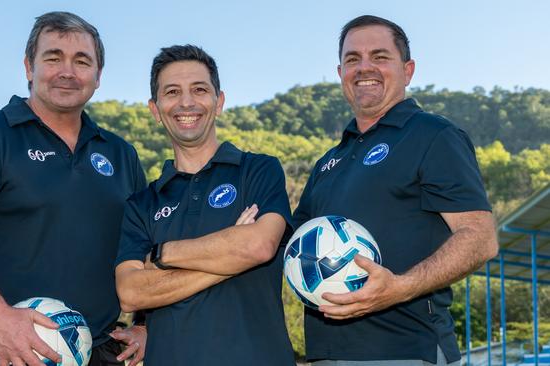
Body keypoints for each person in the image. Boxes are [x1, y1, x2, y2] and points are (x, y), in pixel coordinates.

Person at [0, 11, 147, 366]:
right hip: (8, 348)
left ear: (98, 77)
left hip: (103, 351)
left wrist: (144, 324)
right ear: (29, 67)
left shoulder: (121, 154)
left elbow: (142, 251)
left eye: (82, 61)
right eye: (53, 57)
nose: (67, 71)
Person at [292, 15, 499, 366]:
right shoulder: (329, 161)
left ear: (408, 70)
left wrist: (399, 288)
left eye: (380, 56)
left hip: (405, 351)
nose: (364, 67)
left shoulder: (432, 135)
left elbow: (480, 238)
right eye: (352, 59)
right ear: (339, 72)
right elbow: (290, 243)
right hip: (326, 355)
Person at [113, 44, 295, 366]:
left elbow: (259, 246)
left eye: (199, 89)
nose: (186, 102)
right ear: (155, 110)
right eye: (172, 92)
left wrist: (162, 255)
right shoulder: (141, 204)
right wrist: (229, 251)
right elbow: (131, 293)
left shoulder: (258, 170)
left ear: (219, 101)